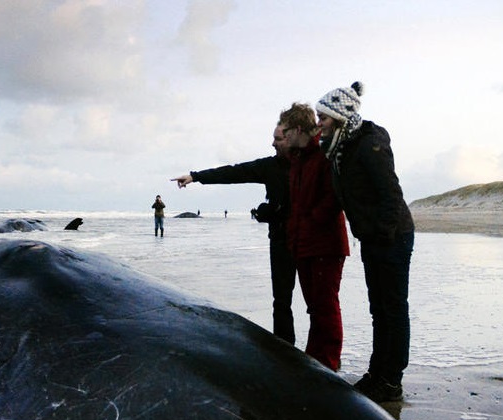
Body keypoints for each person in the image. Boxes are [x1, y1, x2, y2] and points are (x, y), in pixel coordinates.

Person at [316, 81, 414, 402]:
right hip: (373, 237)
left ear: (341, 118)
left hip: (392, 237)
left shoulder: (369, 144)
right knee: (378, 309)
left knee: (393, 308)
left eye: (324, 119)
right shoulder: (340, 147)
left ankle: (391, 381)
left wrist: (382, 237)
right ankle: (377, 373)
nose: (320, 125)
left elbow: (391, 195)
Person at [171, 124, 296, 344]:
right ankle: (285, 353)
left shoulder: (312, 163)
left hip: (309, 241)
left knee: (318, 304)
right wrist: (196, 176)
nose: (273, 143)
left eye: (278, 139)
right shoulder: (270, 166)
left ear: (294, 137)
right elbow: (234, 172)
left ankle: (322, 364)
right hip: (280, 239)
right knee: (281, 301)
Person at [279, 103, 348, 371]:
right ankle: (316, 359)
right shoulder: (298, 159)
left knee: (326, 306)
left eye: (286, 131)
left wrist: (312, 221)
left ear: (297, 129)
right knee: (315, 307)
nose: (283, 137)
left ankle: (328, 363)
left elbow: (333, 197)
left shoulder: (324, 153)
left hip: (325, 243)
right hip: (304, 243)